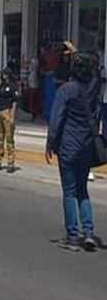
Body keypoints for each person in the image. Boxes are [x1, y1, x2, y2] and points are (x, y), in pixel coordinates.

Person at [47, 52, 104, 252]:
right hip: (86, 148)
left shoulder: (66, 90)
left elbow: (56, 119)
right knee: (82, 190)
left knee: (69, 192)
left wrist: (50, 143)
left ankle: (72, 236)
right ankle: (88, 232)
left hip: (68, 147)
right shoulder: (94, 89)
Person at [0, 67, 18, 174]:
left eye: (4, 74)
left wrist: (12, 116)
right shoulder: (1, 85)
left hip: (7, 111)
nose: (2, 76)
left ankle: (10, 163)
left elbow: (15, 102)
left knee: (9, 138)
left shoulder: (13, 86)